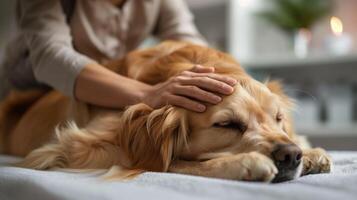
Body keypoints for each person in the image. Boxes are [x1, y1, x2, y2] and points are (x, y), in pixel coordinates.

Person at [1, 0, 237, 112]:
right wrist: (148, 93)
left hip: (95, 96)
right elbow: (51, 58)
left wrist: (239, 87)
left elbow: (190, 44)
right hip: (20, 104)